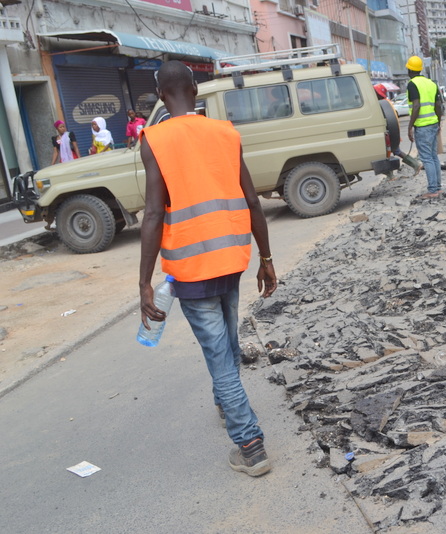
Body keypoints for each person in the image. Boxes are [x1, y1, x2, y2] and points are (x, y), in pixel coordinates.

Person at [138, 60, 278, 477]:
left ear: (161, 95)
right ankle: (224, 401)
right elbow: (252, 201)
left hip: (191, 267)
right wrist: (266, 258)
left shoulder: (154, 139)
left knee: (219, 354)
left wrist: (144, 283)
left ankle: (250, 446)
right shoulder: (225, 132)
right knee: (227, 342)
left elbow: (152, 214)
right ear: (195, 90)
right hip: (231, 259)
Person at [405, 55, 444, 199]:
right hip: (433, 124)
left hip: (422, 127)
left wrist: (410, 127)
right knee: (433, 157)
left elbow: (416, 106)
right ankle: (437, 188)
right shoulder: (431, 83)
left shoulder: (412, 84)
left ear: (410, 70)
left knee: (427, 158)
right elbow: (438, 105)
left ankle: (432, 190)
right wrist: (438, 123)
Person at [373, 83, 422, 178]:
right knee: (393, 152)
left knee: (389, 152)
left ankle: (392, 174)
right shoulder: (386, 102)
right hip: (391, 132)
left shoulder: (382, 104)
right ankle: (414, 165)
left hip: (389, 133)